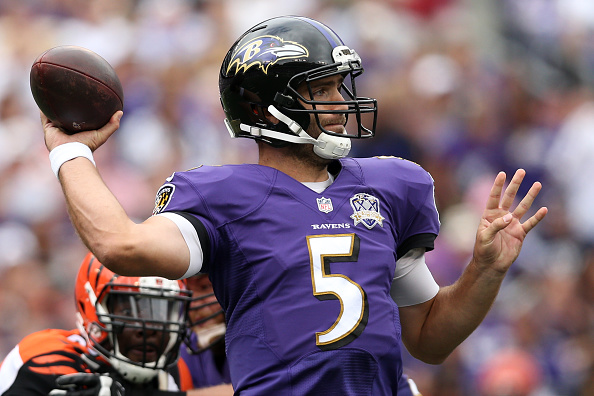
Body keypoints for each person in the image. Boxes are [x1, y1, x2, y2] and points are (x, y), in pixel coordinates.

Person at [40, 15, 547, 395]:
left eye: (338, 87)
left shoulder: (392, 186)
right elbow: (120, 244)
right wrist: (70, 150)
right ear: (265, 108)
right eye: (321, 89)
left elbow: (430, 340)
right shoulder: (219, 196)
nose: (341, 103)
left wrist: (485, 270)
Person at [0, 252, 194, 395]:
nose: (149, 328)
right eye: (128, 311)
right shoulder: (42, 360)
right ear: (92, 307)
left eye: (160, 310)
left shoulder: (173, 373)